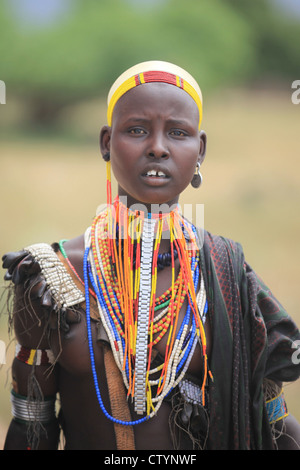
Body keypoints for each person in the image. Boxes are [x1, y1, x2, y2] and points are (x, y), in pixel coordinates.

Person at [2, 61, 300, 451]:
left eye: (178, 133)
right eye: (137, 130)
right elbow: (31, 431)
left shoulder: (228, 276)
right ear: (107, 142)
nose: (158, 147)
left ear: (200, 150)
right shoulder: (52, 278)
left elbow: (273, 422)